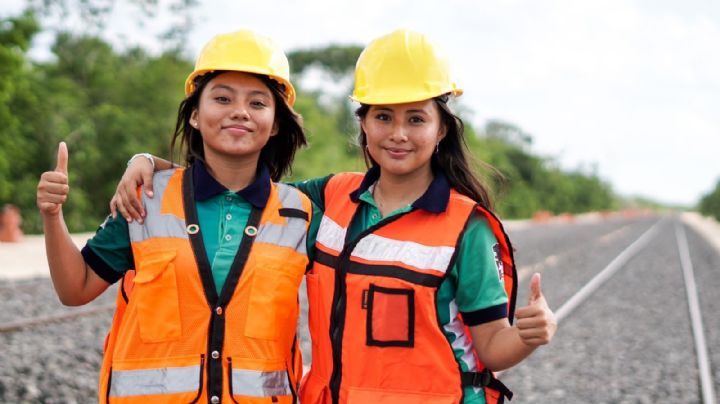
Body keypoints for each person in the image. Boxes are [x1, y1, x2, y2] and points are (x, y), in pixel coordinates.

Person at [111, 29, 557, 404]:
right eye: (383, 116)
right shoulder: (327, 199)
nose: (398, 134)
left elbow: (493, 347)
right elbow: (238, 183)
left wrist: (528, 335)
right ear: (364, 123)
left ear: (441, 129)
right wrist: (150, 162)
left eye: (416, 119)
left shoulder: (466, 228)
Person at [36, 29, 314, 404]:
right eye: (222, 98)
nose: (240, 111)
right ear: (196, 116)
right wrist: (52, 216)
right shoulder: (147, 200)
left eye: (258, 103)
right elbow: (76, 288)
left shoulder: (301, 213)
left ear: (276, 123)